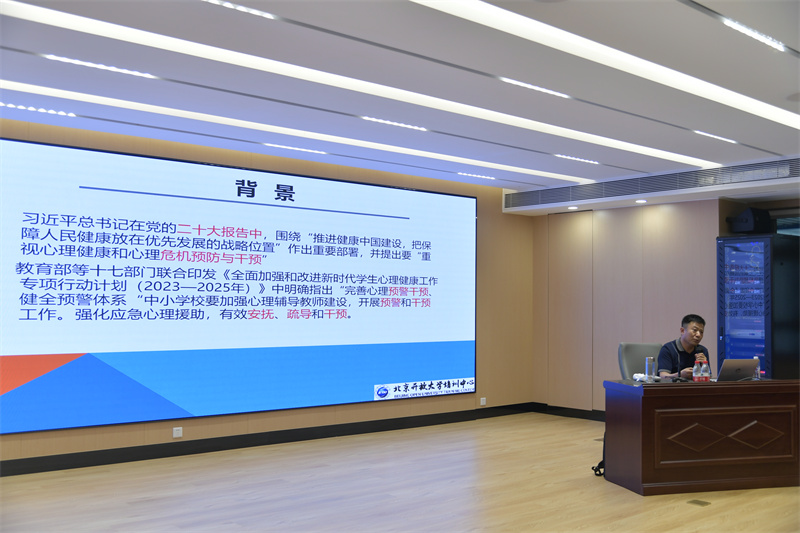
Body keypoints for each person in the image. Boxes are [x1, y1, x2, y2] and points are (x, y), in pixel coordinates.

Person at [658, 314, 709, 380]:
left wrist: (704, 365)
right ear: (682, 331)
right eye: (694, 330)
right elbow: (662, 376)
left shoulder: (702, 351)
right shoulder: (668, 349)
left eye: (701, 332)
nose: (698, 335)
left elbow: (709, 378)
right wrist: (679, 375)